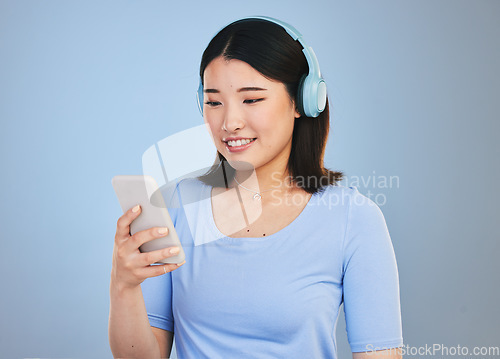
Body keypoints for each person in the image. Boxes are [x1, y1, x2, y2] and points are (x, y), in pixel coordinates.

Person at [108, 16, 403, 359]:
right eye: (214, 101)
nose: (230, 123)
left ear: (302, 101)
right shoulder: (174, 205)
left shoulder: (354, 219)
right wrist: (124, 285)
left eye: (251, 100)